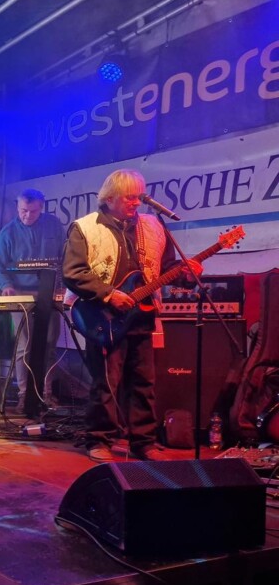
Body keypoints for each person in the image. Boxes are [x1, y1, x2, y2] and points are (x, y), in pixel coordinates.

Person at [62, 169, 201, 463]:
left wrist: (186, 276)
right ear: (110, 198)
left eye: (139, 196)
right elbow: (73, 273)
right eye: (129, 197)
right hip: (103, 316)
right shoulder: (85, 228)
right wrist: (109, 294)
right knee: (106, 383)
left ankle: (143, 443)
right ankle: (99, 439)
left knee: (144, 382)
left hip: (143, 315)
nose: (136, 202)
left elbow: (166, 269)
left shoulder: (153, 226)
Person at [0, 188, 66, 410]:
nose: (27, 215)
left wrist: (63, 286)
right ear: (17, 207)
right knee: (24, 346)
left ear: (41, 207)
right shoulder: (7, 233)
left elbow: (65, 258)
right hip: (21, 294)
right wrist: (6, 286)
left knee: (49, 344)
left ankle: (46, 394)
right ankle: (24, 395)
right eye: (23, 210)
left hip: (50, 293)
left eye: (33, 211)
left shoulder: (54, 225)